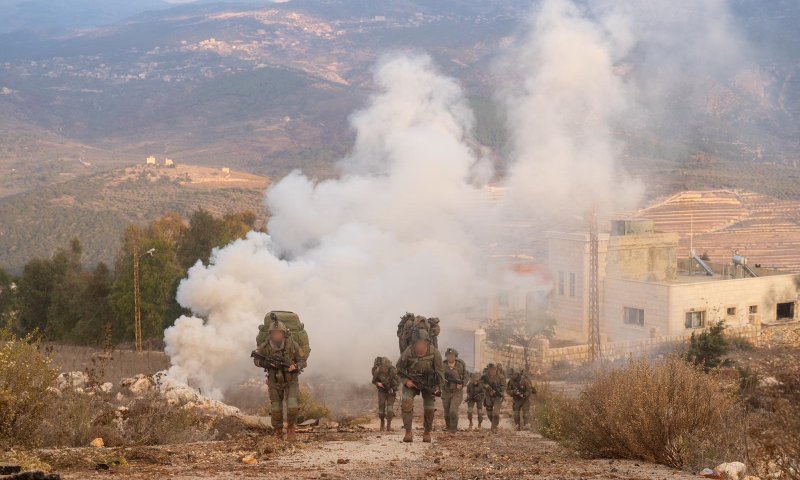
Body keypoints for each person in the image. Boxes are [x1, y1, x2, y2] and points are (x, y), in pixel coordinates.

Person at [252, 320, 307, 442]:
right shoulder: (265, 346)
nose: (277, 335)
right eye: (274, 333)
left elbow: (303, 361)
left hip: (291, 380)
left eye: (279, 333)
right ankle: (278, 432)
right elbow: (256, 360)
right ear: (271, 334)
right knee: (276, 408)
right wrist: (265, 363)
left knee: (292, 406)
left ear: (284, 333)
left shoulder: (292, 344)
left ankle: (291, 428)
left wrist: (296, 366)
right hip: (273, 380)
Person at [396, 330, 444, 443]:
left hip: (429, 384)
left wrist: (438, 387)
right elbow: (398, 369)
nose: (419, 345)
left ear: (427, 342)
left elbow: (441, 372)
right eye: (417, 343)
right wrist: (406, 381)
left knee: (429, 408)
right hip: (412, 382)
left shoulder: (434, 353)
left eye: (421, 343)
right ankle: (408, 432)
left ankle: (427, 432)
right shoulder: (408, 352)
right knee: (406, 402)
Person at [441, 347, 467, 433]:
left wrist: (462, 384)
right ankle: (448, 426)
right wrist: (441, 380)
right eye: (448, 356)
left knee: (453, 410)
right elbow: (437, 375)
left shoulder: (460, 365)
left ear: (455, 357)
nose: (450, 358)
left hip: (457, 392)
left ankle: (453, 429)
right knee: (446, 411)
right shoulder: (442, 365)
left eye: (452, 356)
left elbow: (466, 376)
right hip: (446, 391)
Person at [371, 356, 399, 432]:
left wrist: (393, 389)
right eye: (384, 366)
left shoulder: (393, 371)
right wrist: (378, 383)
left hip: (391, 392)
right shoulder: (378, 370)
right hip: (382, 391)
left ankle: (388, 426)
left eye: (386, 366)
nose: (385, 368)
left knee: (390, 409)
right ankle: (382, 423)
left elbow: (398, 381)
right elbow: (374, 380)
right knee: (381, 409)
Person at [481, 363, 506, 433]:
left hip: (498, 397)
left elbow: (504, 387)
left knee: (496, 413)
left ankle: (494, 427)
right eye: (490, 369)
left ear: (496, 369)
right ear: (488, 369)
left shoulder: (501, 377)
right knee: (489, 414)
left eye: (493, 369)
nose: (492, 371)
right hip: (488, 397)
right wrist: (486, 387)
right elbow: (480, 383)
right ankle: (495, 423)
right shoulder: (484, 376)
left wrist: (498, 390)